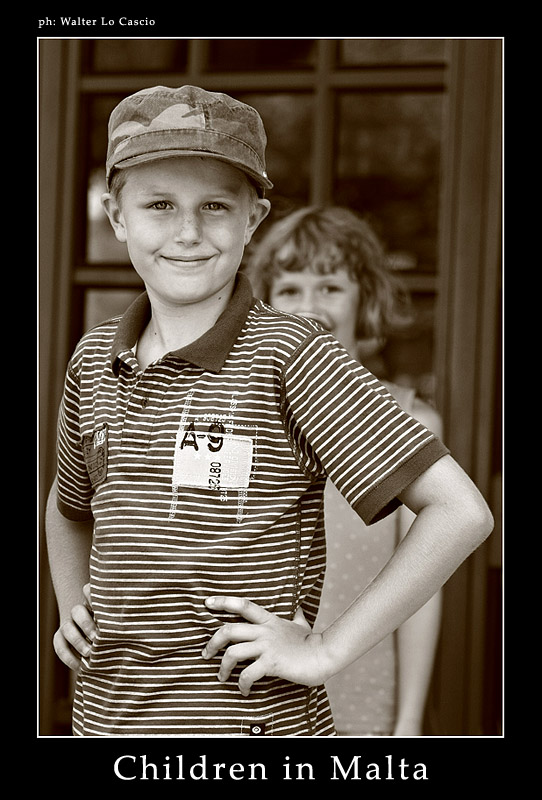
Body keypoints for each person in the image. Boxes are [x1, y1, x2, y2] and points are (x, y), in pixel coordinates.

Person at [45, 85, 493, 737]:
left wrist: (325, 650)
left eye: (215, 206)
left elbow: (460, 512)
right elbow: (68, 505)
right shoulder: (94, 357)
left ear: (253, 219)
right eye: (160, 204)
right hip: (106, 724)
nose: (188, 232)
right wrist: (71, 602)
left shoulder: (292, 352)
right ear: (117, 217)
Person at [246, 206, 443, 735]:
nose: (309, 306)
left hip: (361, 692)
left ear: (365, 299)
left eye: (330, 287)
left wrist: (408, 721)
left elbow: (423, 590)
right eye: (290, 289)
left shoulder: (408, 420)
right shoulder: (243, 418)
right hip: (249, 697)